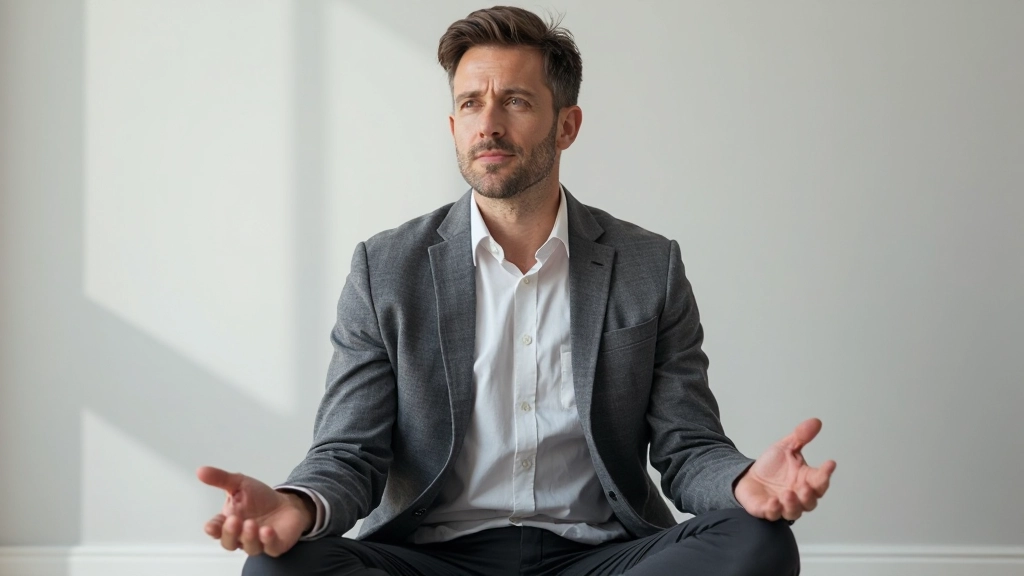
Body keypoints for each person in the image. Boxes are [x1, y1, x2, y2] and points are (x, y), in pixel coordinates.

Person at [197, 6, 835, 575]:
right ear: (453, 125)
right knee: (281, 569)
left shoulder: (648, 264)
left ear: (567, 125)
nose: (489, 124)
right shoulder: (385, 267)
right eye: (471, 103)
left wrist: (745, 481)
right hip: (431, 557)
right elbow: (349, 452)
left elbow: (687, 445)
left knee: (759, 543)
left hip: (599, 557)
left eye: (517, 102)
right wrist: (297, 505)